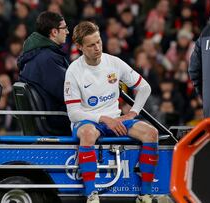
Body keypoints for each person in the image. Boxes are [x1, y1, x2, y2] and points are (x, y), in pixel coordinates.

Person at [64, 21, 159, 203]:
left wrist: (132, 113)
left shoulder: (113, 62)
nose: (97, 48)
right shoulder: (73, 71)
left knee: (151, 133)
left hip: (115, 120)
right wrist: (103, 119)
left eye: (99, 42)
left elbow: (144, 88)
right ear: (79, 47)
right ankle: (91, 195)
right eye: (91, 45)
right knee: (88, 133)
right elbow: (74, 114)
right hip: (87, 121)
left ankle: (145, 194)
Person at [17, 11, 71, 132]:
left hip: (47, 117)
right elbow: (68, 93)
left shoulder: (35, 54)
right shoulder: (47, 59)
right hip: (57, 119)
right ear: (54, 32)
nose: (67, 32)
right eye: (65, 28)